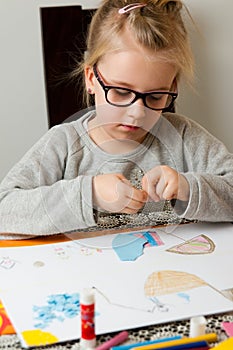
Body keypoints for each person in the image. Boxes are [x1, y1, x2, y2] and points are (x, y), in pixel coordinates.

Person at [0, 0, 233, 238]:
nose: (137, 112)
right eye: (121, 92)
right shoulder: (64, 144)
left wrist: (187, 187)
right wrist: (89, 193)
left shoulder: (184, 137)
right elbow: (5, 211)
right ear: (91, 79)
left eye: (155, 96)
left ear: (172, 86)